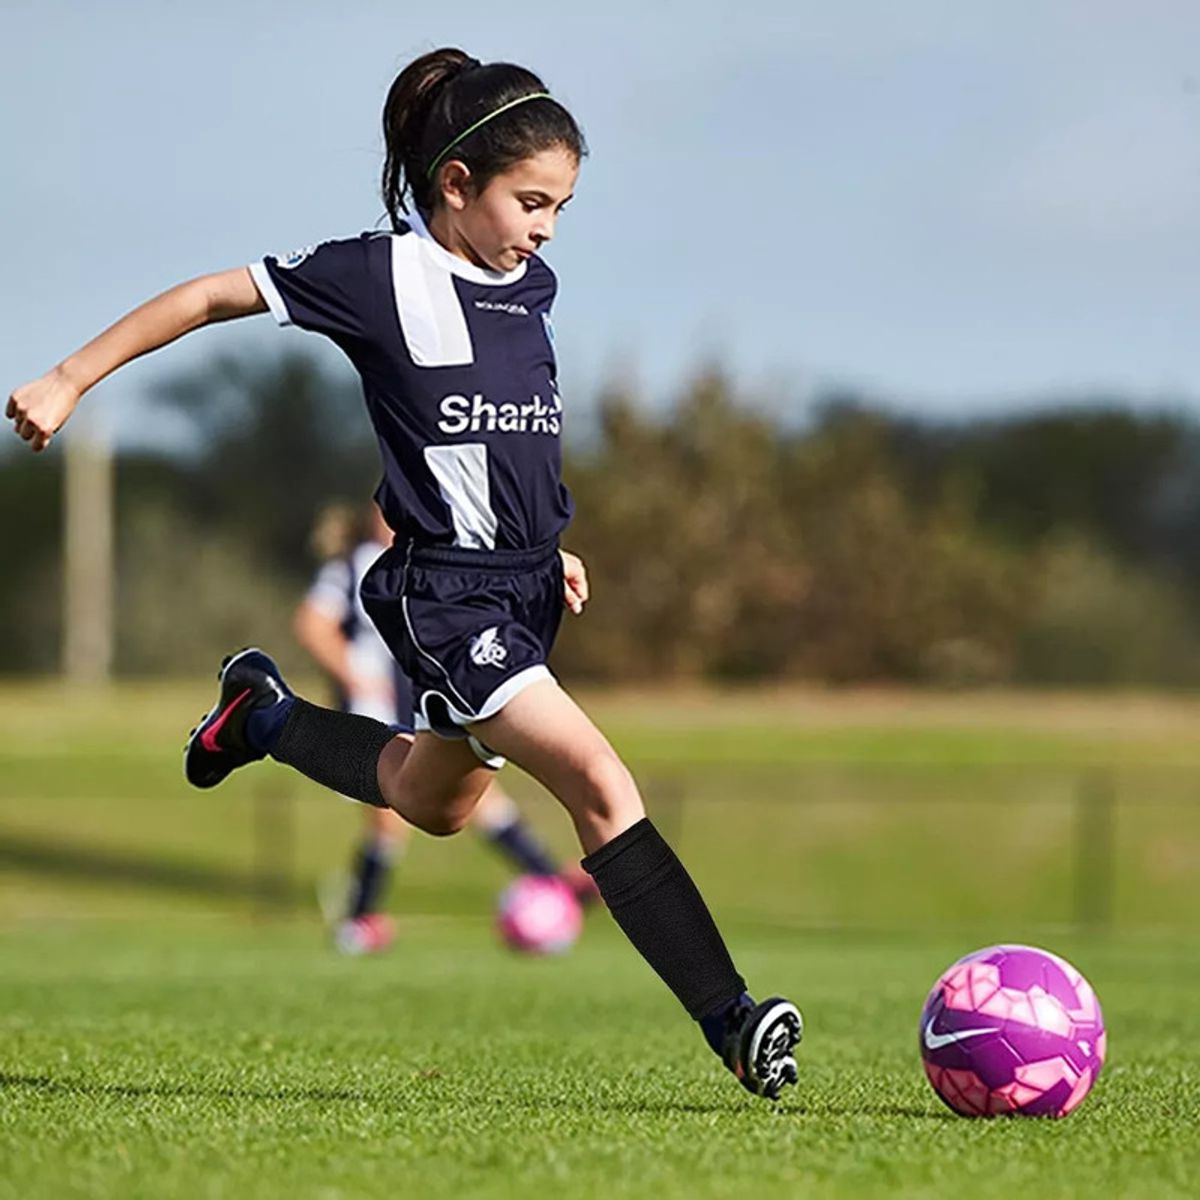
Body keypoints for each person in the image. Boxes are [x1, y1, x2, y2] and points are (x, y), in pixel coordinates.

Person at [7, 47, 802, 1100]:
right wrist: (68, 378)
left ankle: (263, 719)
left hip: (519, 585)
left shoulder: (530, 284)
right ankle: (735, 1022)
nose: (547, 228)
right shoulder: (377, 276)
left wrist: (543, 538)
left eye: (563, 206)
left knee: (434, 805)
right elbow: (207, 297)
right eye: (531, 200)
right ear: (455, 186)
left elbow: (507, 436)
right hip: (448, 597)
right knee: (601, 787)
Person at [296, 500, 596, 953]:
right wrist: (354, 675)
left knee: (478, 798)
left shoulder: (415, 563)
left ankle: (551, 881)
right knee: (390, 819)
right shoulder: (351, 566)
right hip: (373, 707)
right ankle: (357, 921)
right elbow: (312, 626)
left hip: (417, 700)